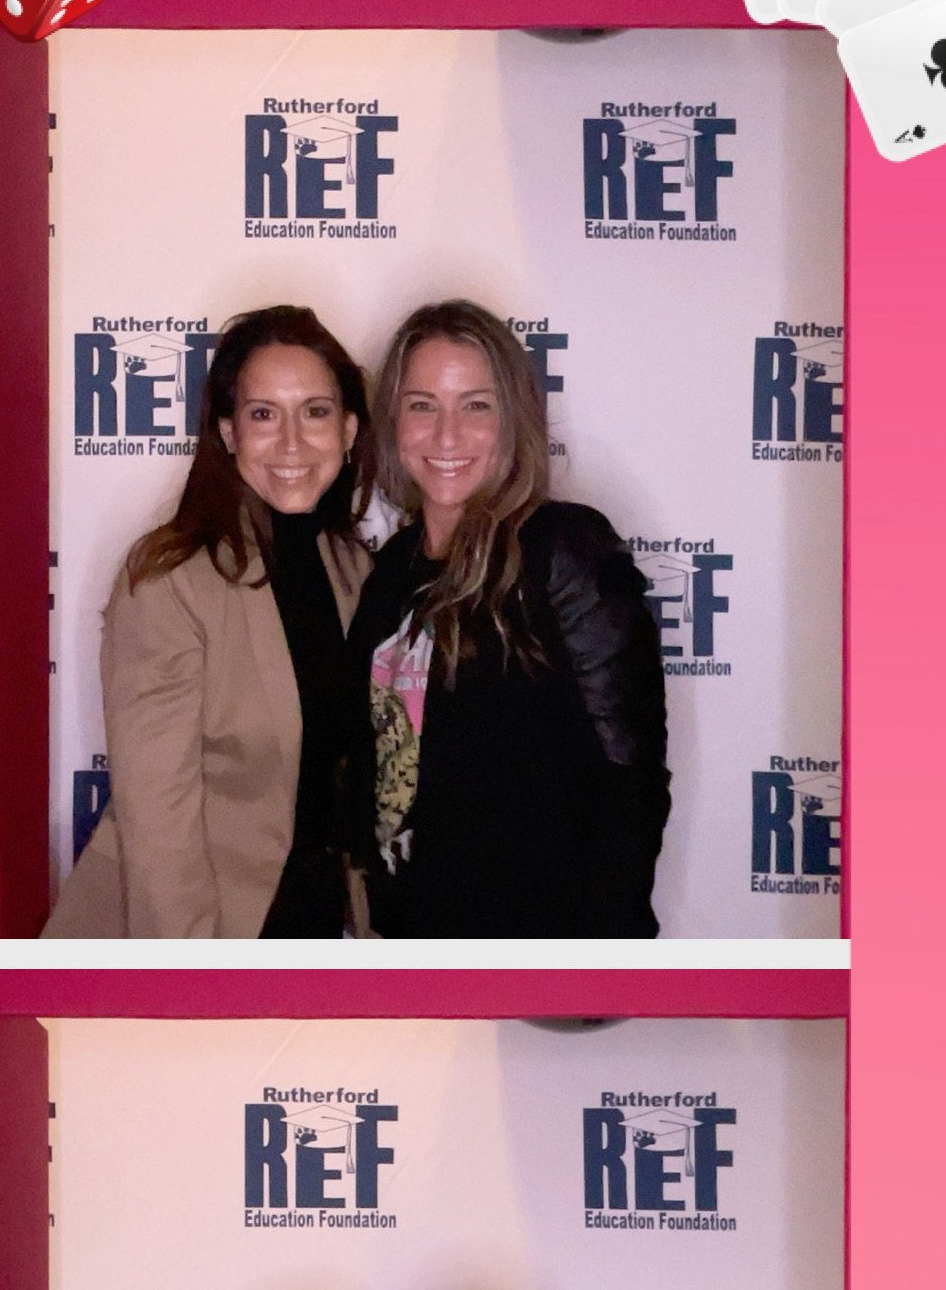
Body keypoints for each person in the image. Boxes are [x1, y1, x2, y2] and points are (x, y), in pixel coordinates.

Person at [45, 307, 374, 939]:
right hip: (202, 928)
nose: (292, 443)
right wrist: (195, 973)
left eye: (314, 412)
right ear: (228, 432)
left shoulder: (354, 569)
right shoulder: (171, 578)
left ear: (349, 428)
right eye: (263, 414)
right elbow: (158, 820)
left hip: (320, 920)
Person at [348, 299, 669, 939]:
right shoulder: (391, 573)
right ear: (392, 423)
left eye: (476, 406)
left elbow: (628, 779)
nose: (446, 436)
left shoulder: (563, 550)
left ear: (513, 419)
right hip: (410, 938)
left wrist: (592, 960)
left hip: (540, 953)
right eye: (422, 405)